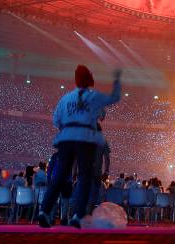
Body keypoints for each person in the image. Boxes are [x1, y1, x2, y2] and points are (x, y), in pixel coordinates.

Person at [38, 65, 122, 229]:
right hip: (85, 138)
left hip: (66, 138)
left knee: (60, 176)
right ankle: (77, 214)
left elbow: (56, 120)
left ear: (76, 80)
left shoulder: (66, 98)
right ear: (90, 80)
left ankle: (44, 211)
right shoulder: (94, 96)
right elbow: (114, 98)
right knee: (84, 176)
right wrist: (117, 80)